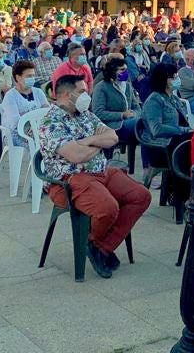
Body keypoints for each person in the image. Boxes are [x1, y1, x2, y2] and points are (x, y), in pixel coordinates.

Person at [38, 74, 152, 279]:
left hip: (101, 170)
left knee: (141, 196)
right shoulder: (50, 122)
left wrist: (88, 142)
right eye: (81, 92)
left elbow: (113, 136)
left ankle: (99, 245)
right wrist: (97, 143)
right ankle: (98, 245)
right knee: (108, 208)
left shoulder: (85, 114)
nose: (87, 95)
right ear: (65, 94)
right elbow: (76, 155)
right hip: (71, 179)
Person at [141, 63, 193, 207]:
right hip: (161, 147)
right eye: (173, 77)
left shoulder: (174, 99)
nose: (177, 79)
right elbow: (156, 129)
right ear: (163, 79)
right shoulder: (154, 100)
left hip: (177, 143)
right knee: (187, 145)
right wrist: (182, 131)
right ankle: (185, 195)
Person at [0, 60, 47, 148]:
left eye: (33, 75)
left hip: (37, 130)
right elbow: (15, 122)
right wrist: (36, 114)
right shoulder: (10, 96)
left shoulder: (38, 92)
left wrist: (26, 114)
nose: (32, 78)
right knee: (40, 145)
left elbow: (47, 112)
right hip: (15, 134)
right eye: (29, 76)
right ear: (18, 77)